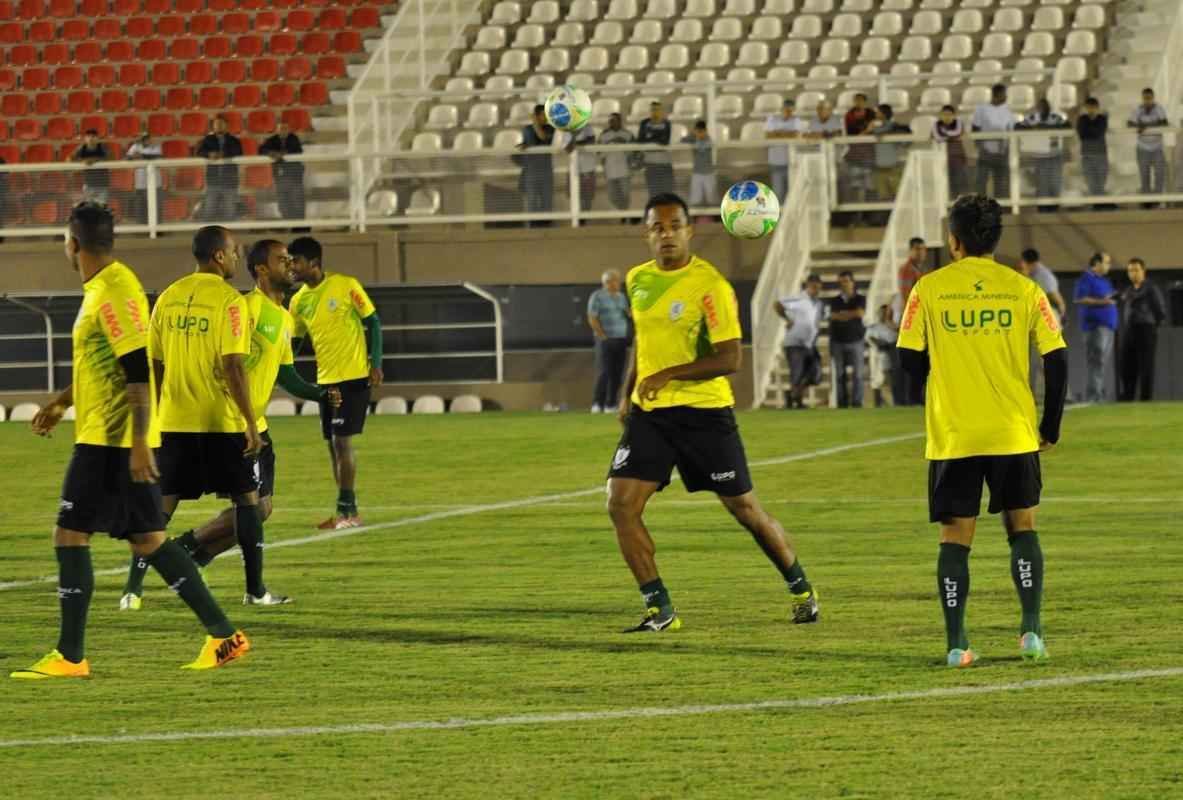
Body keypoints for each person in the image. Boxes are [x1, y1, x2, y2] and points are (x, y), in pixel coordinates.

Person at [11, 204, 249, 679]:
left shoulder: (114, 291)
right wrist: (61, 402)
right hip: (109, 436)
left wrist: (140, 442)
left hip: (111, 442)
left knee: (70, 535)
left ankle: (70, 656)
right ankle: (225, 636)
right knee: (150, 540)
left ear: (73, 243)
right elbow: (105, 365)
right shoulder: (104, 288)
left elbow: (137, 369)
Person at [607, 193, 819, 632]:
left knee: (745, 509)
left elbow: (729, 359)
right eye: (657, 227)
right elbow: (642, 344)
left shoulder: (712, 286)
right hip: (652, 415)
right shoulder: (637, 280)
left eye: (674, 225)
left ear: (690, 230)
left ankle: (801, 588)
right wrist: (628, 393)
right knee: (620, 504)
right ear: (646, 233)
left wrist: (668, 374)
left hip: (704, 414)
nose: (666, 234)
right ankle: (659, 608)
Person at [896, 194, 1068, 668]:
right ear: (995, 239)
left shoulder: (927, 289)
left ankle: (957, 645)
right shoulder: (1024, 289)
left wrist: (948, 374)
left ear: (953, 241)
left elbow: (908, 359)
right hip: (1012, 431)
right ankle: (1031, 632)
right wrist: (1048, 425)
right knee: (1022, 528)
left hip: (954, 434)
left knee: (955, 538)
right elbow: (1057, 358)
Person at [121, 240, 339, 605]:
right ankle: (196, 572)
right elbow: (230, 362)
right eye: (281, 260)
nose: (290, 265)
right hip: (228, 422)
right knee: (244, 503)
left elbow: (284, 373)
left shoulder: (284, 317)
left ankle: (190, 554)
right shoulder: (246, 307)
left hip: (252, 423)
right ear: (261, 270)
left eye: (291, 259)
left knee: (260, 508)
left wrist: (319, 394)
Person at [140, 226, 277, 614]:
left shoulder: (167, 297)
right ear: (219, 256)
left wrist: (156, 414)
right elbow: (233, 365)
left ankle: (130, 591)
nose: (237, 258)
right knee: (248, 502)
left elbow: (155, 363)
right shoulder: (229, 301)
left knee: (160, 509)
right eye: (234, 251)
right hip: (220, 421)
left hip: (174, 420)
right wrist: (251, 422)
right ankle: (255, 590)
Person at [288, 236, 384, 529]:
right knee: (332, 445)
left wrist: (376, 363)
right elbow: (294, 341)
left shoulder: (346, 285)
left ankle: (348, 511)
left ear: (314, 263)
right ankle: (345, 509)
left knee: (342, 442)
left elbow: (373, 322)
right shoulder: (298, 301)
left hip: (353, 377)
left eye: (296, 261)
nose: (291, 267)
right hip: (325, 382)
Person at [1118, 257, 1167, 402]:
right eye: (1130, 270)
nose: (1133, 273)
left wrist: (1153, 327)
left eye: (1136, 270)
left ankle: (1146, 400)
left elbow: (1160, 311)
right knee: (1127, 364)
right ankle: (1128, 397)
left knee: (1146, 365)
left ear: (1143, 271)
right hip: (1129, 330)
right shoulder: (1128, 290)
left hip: (1146, 329)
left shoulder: (1151, 288)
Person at [1073, 252, 1118, 404]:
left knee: (1101, 362)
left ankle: (1097, 394)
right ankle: (1094, 396)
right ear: (1097, 264)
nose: (1109, 266)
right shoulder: (1086, 278)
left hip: (1108, 327)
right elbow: (1079, 298)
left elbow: (1108, 299)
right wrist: (1102, 302)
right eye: (1106, 262)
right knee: (1096, 361)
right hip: (1095, 327)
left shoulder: (1105, 281)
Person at [774, 274, 824, 409]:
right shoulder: (799, 298)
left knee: (816, 374)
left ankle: (792, 394)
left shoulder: (819, 303)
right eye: (813, 286)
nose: (816, 290)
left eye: (818, 287)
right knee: (797, 373)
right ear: (808, 285)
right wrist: (787, 319)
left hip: (810, 343)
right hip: (795, 342)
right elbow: (778, 304)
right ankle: (797, 401)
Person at [588, 269, 631, 413]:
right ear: (607, 282)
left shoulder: (621, 297)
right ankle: (597, 403)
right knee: (604, 372)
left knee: (617, 373)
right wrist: (602, 336)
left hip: (621, 339)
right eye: (615, 280)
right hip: (605, 340)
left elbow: (628, 313)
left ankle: (610, 404)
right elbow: (592, 317)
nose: (618, 283)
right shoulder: (597, 296)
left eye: (618, 280)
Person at [1020, 98, 1070, 210]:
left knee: (1055, 181)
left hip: (1055, 155)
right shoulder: (1032, 118)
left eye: (1043, 107)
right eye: (1039, 107)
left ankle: (1055, 206)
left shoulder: (1055, 118)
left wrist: (1048, 128)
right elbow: (1018, 127)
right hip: (1040, 156)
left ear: (1048, 107)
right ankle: (1043, 208)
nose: (1041, 109)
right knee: (1042, 183)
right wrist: (1033, 129)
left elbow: (1068, 126)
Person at [829, 270, 866, 408]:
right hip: (837, 341)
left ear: (852, 282)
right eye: (841, 281)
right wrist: (851, 314)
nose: (843, 284)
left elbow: (860, 313)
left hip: (856, 340)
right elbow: (833, 316)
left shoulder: (860, 298)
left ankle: (857, 403)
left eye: (846, 281)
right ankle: (842, 403)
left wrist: (843, 314)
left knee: (858, 374)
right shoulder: (834, 300)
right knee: (839, 375)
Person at [195, 115, 244, 222]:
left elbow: (238, 152)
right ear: (213, 126)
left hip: (230, 181)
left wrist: (223, 154)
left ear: (226, 126)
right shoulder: (208, 139)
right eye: (217, 124)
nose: (219, 126)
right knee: (209, 210)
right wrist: (209, 154)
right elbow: (199, 152)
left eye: (221, 124)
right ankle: (207, 233)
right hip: (213, 181)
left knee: (230, 211)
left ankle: (228, 233)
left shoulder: (234, 140)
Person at [971, 84, 1015, 198]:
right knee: (981, 182)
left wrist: (1007, 148)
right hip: (985, 152)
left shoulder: (1008, 111)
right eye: (1004, 94)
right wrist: (980, 147)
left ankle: (1001, 209)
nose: (1006, 97)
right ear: (997, 94)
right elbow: (975, 128)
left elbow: (1011, 131)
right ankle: (980, 209)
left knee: (1001, 184)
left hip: (1002, 153)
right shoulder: (981, 109)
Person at [515, 105, 555, 227]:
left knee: (546, 201)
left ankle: (547, 226)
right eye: (543, 115)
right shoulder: (527, 129)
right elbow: (527, 144)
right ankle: (532, 227)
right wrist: (523, 146)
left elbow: (542, 137)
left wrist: (534, 122)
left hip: (546, 172)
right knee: (531, 201)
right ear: (537, 115)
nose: (546, 117)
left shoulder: (550, 129)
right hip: (531, 172)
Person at [1128, 88, 1169, 205]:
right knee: (1144, 175)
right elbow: (1130, 123)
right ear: (1142, 98)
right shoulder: (1138, 109)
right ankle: (1146, 200)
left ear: (1153, 98)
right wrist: (1138, 125)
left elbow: (1164, 122)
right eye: (1145, 98)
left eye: (1149, 98)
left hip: (1157, 147)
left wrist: (1146, 125)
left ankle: (1157, 199)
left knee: (1159, 174)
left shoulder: (1159, 108)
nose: (1147, 100)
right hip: (1142, 148)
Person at [260, 121, 306, 221]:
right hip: (280, 177)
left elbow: (297, 149)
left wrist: (282, 153)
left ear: (288, 130)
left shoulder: (294, 138)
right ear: (277, 130)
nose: (283, 131)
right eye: (281, 128)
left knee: (298, 200)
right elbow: (261, 149)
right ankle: (288, 222)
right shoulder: (272, 139)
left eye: (285, 128)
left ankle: (300, 224)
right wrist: (271, 152)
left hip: (295, 176)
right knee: (283, 201)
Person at [765, 98, 806, 201]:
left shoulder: (796, 121)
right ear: (782, 109)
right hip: (776, 162)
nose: (788, 112)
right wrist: (787, 134)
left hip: (791, 162)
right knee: (778, 192)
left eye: (790, 110)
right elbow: (768, 135)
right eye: (786, 109)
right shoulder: (772, 119)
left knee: (792, 193)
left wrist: (778, 133)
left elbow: (796, 135)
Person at [870, 104, 910, 203]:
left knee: (897, 195)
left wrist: (877, 131)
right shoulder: (877, 128)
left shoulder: (894, 127)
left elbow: (906, 142)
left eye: (878, 112)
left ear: (884, 113)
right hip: (879, 167)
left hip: (893, 167)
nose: (876, 113)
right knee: (883, 196)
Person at [843, 94, 876, 208]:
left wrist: (866, 131)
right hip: (854, 154)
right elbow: (851, 134)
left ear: (865, 102)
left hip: (869, 154)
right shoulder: (849, 115)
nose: (858, 103)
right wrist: (866, 131)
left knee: (870, 186)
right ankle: (854, 214)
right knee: (855, 186)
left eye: (861, 101)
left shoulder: (871, 113)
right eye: (856, 100)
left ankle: (870, 214)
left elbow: (874, 129)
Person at [1017, 249, 1067, 322]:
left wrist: (1062, 316)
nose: (1020, 263)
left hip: (1050, 316)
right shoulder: (1032, 273)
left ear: (1028, 262)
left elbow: (1057, 299)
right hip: (1040, 314)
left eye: (1022, 260)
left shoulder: (1043, 276)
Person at [599, 113, 634, 214]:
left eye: (614, 120)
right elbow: (599, 153)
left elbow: (634, 152)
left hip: (624, 170)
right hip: (610, 170)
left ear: (619, 121)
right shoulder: (604, 135)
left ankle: (624, 216)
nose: (611, 122)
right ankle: (623, 211)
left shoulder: (628, 134)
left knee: (625, 194)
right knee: (612, 196)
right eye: (610, 120)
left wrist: (624, 144)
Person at [125, 131, 162, 225]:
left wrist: (140, 156)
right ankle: (142, 226)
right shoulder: (135, 146)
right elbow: (127, 157)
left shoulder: (156, 147)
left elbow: (157, 157)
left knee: (156, 206)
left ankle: (157, 227)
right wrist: (134, 156)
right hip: (140, 183)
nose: (146, 141)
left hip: (155, 182)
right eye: (144, 139)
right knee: (141, 206)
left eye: (147, 138)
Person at [637, 102, 673, 198]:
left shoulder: (666, 123)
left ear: (661, 111)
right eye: (653, 109)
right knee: (653, 193)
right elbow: (640, 141)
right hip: (650, 163)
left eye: (657, 109)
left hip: (665, 163)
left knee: (668, 191)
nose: (655, 111)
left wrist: (650, 137)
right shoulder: (644, 123)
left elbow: (665, 141)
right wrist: (657, 138)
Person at [681, 120, 717, 218]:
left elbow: (701, 147)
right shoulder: (693, 138)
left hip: (709, 174)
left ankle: (715, 220)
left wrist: (696, 139)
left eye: (702, 131)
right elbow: (681, 140)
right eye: (698, 131)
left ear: (705, 131)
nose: (700, 134)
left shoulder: (709, 140)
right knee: (695, 200)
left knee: (712, 199)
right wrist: (693, 135)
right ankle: (694, 220)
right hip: (697, 173)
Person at [865, 304, 899, 407]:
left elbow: (897, 339)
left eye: (886, 312)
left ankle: (894, 403)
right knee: (876, 380)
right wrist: (879, 342)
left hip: (891, 356)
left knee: (890, 380)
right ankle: (877, 404)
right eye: (882, 312)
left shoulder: (894, 326)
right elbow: (869, 338)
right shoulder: (874, 326)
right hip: (877, 355)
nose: (884, 315)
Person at [1076, 97, 1109, 202]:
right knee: (1090, 182)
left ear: (1097, 108)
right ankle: (1095, 204)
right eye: (1088, 107)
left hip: (1101, 155)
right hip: (1087, 155)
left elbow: (1098, 133)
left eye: (1093, 107)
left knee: (1101, 182)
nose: (1091, 110)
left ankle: (1100, 204)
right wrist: (1090, 132)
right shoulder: (1082, 119)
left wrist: (1088, 132)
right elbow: (1081, 134)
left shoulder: (1102, 119)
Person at [933, 105, 970, 198]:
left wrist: (945, 134)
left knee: (959, 182)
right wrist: (950, 137)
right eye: (944, 114)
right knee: (944, 183)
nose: (947, 116)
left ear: (954, 115)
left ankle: (959, 203)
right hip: (941, 160)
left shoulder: (958, 123)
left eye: (949, 114)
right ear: (941, 115)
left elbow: (958, 133)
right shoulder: (936, 124)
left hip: (958, 158)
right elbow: (938, 137)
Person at [565, 121, 598, 215]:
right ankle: (576, 218)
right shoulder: (567, 130)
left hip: (588, 168)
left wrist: (576, 143)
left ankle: (584, 218)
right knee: (573, 196)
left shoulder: (588, 127)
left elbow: (591, 140)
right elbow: (567, 148)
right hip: (573, 169)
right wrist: (574, 138)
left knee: (587, 197)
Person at [72, 129, 110, 205]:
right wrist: (81, 163)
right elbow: (70, 158)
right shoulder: (81, 148)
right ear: (85, 138)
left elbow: (111, 158)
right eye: (88, 136)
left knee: (102, 207)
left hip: (102, 184)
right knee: (89, 208)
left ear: (97, 138)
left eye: (93, 136)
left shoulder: (102, 147)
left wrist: (94, 160)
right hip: (88, 184)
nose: (91, 138)